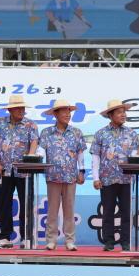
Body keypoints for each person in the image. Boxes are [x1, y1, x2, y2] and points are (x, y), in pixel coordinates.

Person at [0, 95, 39, 248]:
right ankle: (4, 237)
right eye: (18, 108)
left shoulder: (30, 125)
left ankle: (26, 237)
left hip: (25, 172)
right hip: (5, 170)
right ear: (10, 110)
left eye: (22, 108)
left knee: (26, 204)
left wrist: (30, 157)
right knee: (4, 204)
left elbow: (34, 142)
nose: (21, 111)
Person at [91, 100, 139, 251]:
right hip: (106, 178)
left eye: (124, 112)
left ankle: (125, 242)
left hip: (126, 178)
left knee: (126, 212)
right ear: (110, 115)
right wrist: (95, 178)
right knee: (108, 212)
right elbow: (96, 157)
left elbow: (135, 155)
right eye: (119, 112)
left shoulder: (131, 133)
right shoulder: (101, 133)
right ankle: (109, 242)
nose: (123, 115)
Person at [38, 100, 86, 251]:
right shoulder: (46, 132)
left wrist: (82, 170)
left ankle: (70, 240)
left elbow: (80, 153)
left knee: (69, 209)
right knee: (52, 209)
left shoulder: (76, 132)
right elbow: (41, 150)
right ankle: (51, 239)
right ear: (55, 114)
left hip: (71, 176)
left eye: (69, 112)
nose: (67, 114)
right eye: (64, 111)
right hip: (53, 176)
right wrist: (35, 158)